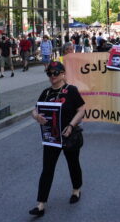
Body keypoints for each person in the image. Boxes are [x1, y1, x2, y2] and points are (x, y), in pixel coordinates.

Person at [29, 61, 85, 217]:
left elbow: (81, 110)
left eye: (55, 73)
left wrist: (72, 125)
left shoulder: (71, 91)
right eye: (49, 73)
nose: (52, 76)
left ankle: (76, 189)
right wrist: (36, 116)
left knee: (73, 164)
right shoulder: (46, 93)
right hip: (51, 137)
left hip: (68, 135)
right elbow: (35, 110)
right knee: (47, 169)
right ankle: (40, 204)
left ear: (62, 74)